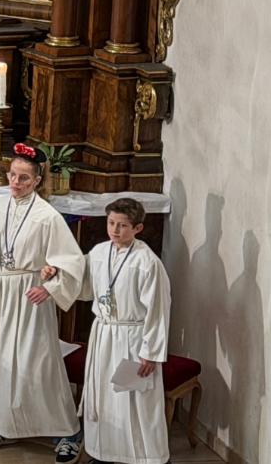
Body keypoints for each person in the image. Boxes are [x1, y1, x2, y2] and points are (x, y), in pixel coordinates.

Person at [0, 143, 87, 458]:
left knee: (38, 363)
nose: (16, 183)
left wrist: (50, 287)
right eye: (12, 175)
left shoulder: (47, 216)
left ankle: (67, 432)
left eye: (24, 178)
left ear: (37, 180)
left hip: (30, 295)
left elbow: (72, 262)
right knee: (0, 360)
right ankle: (0, 425)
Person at [81, 198, 171, 464]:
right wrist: (54, 274)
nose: (115, 230)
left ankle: (145, 458)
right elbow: (82, 284)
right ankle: (103, 454)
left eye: (122, 225)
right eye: (111, 223)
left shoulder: (147, 262)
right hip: (104, 335)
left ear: (138, 228)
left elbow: (158, 309)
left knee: (135, 403)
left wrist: (151, 352)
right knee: (105, 399)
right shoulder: (98, 252)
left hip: (132, 339)